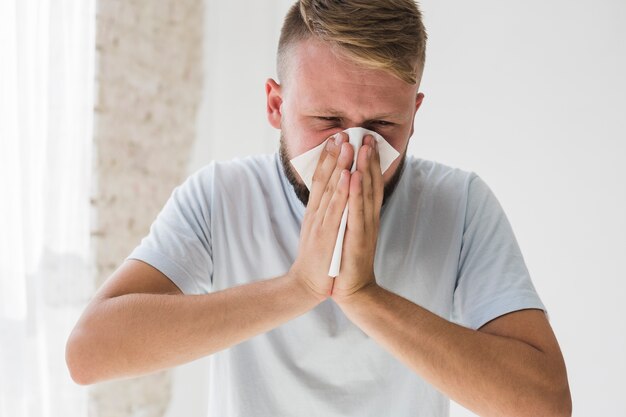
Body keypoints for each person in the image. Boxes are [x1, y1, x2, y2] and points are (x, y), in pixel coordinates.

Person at [66, 1, 572, 416]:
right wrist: (299, 288)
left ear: (414, 115)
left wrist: (364, 296)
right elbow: (89, 353)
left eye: (382, 127)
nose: (352, 148)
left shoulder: (459, 204)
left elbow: (545, 405)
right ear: (275, 105)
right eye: (326, 119)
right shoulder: (222, 195)